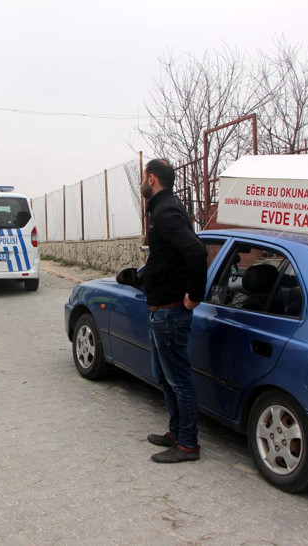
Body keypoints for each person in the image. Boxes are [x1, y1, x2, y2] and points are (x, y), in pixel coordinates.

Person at [140, 158, 208, 464]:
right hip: (160, 308)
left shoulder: (166, 211)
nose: (143, 181)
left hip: (170, 311)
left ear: (152, 178)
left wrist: (195, 295)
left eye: (144, 177)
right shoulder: (165, 208)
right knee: (164, 376)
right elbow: (168, 257)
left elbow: (195, 250)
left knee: (179, 379)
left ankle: (188, 444)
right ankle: (177, 431)